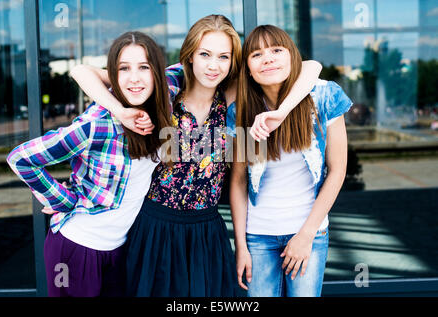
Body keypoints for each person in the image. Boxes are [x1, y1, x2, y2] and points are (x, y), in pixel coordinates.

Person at [70, 15, 322, 297]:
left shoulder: (233, 94)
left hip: (207, 232)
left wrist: (282, 111)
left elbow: (312, 66)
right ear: (190, 56)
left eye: (223, 57)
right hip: (155, 229)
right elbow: (82, 71)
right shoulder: (164, 88)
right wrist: (120, 111)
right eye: (204, 54)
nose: (213, 65)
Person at [6, 31, 172, 297]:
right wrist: (64, 199)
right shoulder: (96, 125)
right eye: (123, 68)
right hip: (74, 248)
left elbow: (201, 70)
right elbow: (21, 159)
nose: (134, 78)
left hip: (118, 249)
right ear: (112, 74)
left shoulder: (167, 91)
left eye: (144, 67)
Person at [230, 25, 352, 297]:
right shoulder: (241, 110)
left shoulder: (324, 97)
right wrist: (241, 246)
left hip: (308, 233)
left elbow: (338, 170)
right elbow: (238, 181)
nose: (268, 58)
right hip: (258, 238)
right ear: (248, 68)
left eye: (276, 50)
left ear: (291, 56)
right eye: (257, 54)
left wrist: (307, 235)